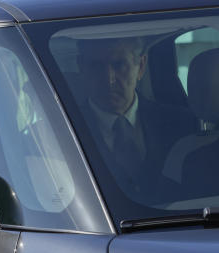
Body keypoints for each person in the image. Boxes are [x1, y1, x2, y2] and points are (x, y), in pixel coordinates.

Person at [76, 37, 197, 194]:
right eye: (96, 66)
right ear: (81, 67)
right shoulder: (61, 132)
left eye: (119, 65)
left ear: (140, 66)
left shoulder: (182, 124)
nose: (109, 79)